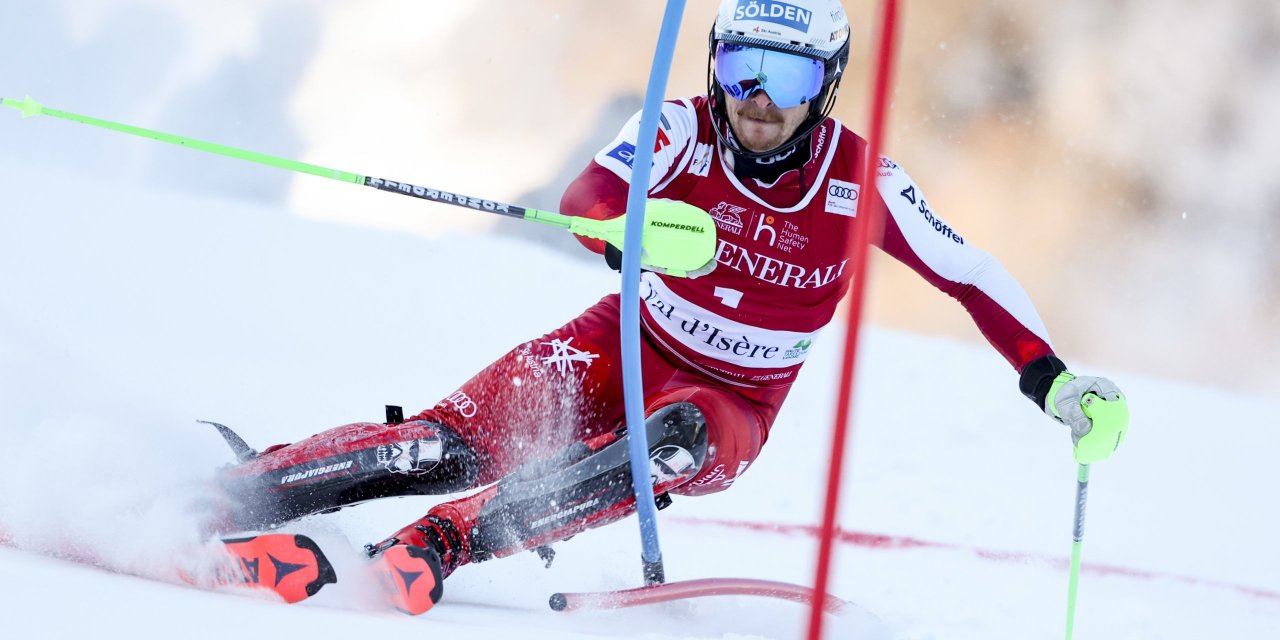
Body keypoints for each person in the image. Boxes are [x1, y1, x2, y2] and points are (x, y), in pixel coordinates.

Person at [216, 0, 1129, 612]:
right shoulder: (680, 125)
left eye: (792, 80)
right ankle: (226, 498)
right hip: (616, 346)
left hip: (730, 406)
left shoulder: (861, 182)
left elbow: (967, 272)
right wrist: (630, 233)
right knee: (437, 446)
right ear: (714, 67)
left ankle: (437, 548)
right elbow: (584, 201)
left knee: (676, 441)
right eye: (742, 72)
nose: (761, 103)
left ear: (830, 86)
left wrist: (1052, 383)